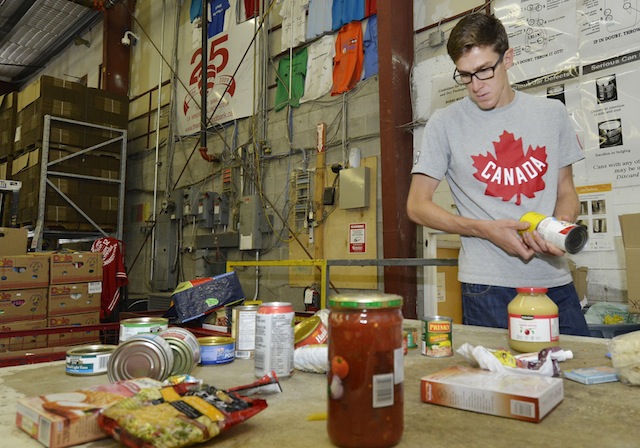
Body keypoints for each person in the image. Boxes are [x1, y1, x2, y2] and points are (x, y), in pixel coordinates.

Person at [406, 12, 590, 336]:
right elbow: (417, 205)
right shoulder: (445, 123)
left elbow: (566, 191)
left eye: (484, 71)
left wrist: (557, 231)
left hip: (553, 279)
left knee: (579, 364)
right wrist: (484, 230)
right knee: (499, 370)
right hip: (487, 285)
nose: (476, 86)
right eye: (465, 76)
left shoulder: (552, 115)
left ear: (508, 58)